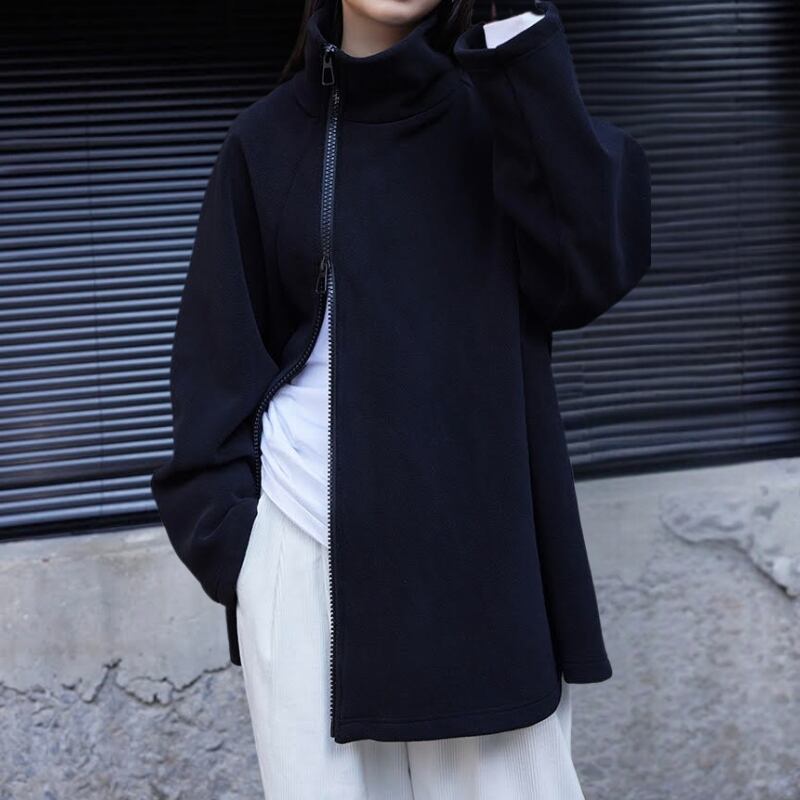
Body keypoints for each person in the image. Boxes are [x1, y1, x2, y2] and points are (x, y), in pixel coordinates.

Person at [150, 0, 652, 796]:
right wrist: (245, 551)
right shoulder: (265, 140)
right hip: (302, 555)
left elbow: (595, 266)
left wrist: (515, 31)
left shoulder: (506, 112)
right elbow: (215, 367)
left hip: (484, 579)